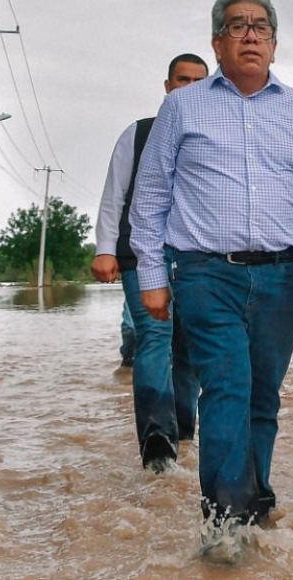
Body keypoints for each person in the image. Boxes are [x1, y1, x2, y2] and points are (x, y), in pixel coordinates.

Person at [130, 0, 293, 537]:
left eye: (261, 27)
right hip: (206, 273)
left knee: (263, 397)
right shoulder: (182, 106)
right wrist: (153, 277)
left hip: (280, 275)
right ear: (217, 42)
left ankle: (255, 497)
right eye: (237, 26)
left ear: (274, 45)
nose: (249, 34)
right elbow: (152, 195)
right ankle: (227, 526)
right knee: (226, 386)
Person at [91, 53, 208, 471]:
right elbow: (114, 195)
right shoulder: (139, 134)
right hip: (142, 254)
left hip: (196, 257)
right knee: (154, 337)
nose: (190, 87)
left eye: (199, 80)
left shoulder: (215, 137)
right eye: (182, 79)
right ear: (167, 85)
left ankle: (185, 429)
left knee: (188, 345)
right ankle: (158, 439)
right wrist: (105, 247)